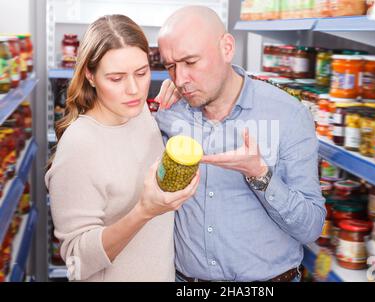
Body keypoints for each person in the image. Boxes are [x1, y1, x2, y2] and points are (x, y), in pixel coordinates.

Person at [156, 6, 326, 282]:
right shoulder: (169, 111)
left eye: (190, 62)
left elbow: (311, 228)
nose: (180, 79)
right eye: (170, 66)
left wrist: (260, 175)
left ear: (226, 48)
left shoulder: (288, 114)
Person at [45, 14, 199, 282]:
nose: (134, 89)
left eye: (141, 73)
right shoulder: (79, 146)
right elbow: (75, 263)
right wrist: (143, 212)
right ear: (90, 76)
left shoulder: (139, 114)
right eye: (116, 78)